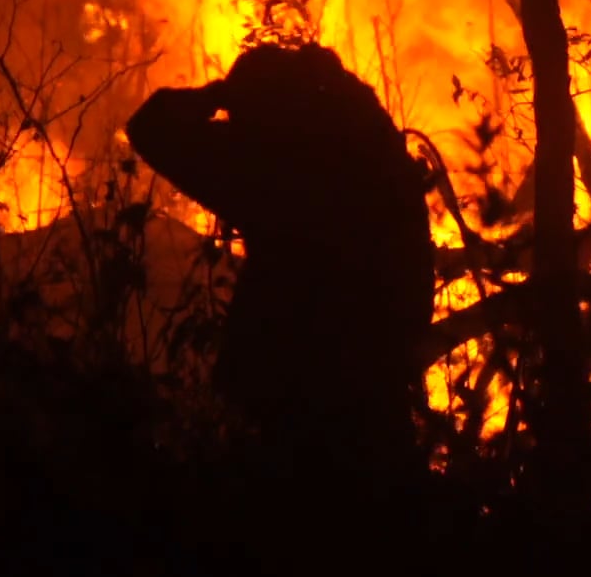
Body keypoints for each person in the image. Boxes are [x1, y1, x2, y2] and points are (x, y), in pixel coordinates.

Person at [125, 41, 436, 483]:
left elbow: (150, 125)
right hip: (372, 401)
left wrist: (217, 95)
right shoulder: (378, 166)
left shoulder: (263, 168)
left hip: (275, 396)